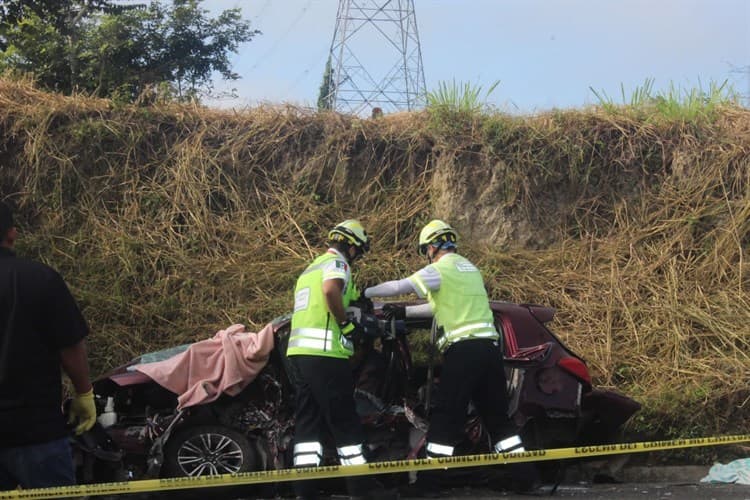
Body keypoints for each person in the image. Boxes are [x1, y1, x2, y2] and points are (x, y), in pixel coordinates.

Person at [364, 219, 533, 493]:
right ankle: (525, 477)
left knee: (446, 417)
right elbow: (436, 307)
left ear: (432, 246)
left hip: (464, 352)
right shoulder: (470, 269)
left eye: (425, 250)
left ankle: (429, 484)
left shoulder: (440, 269)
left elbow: (400, 286)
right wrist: (405, 312)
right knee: (497, 418)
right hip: (489, 353)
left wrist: (365, 292)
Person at [285, 219, 396, 500]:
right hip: (325, 355)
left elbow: (342, 294)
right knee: (345, 421)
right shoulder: (338, 264)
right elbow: (331, 291)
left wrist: (360, 296)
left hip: (299, 355)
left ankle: (304, 490)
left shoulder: (310, 268)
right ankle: (362, 490)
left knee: (307, 424)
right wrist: (346, 325)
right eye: (358, 251)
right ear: (350, 246)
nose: (357, 257)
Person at [0, 201, 97, 490]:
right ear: (12, 233)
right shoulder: (40, 278)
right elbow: (70, 346)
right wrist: (84, 393)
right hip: (36, 431)